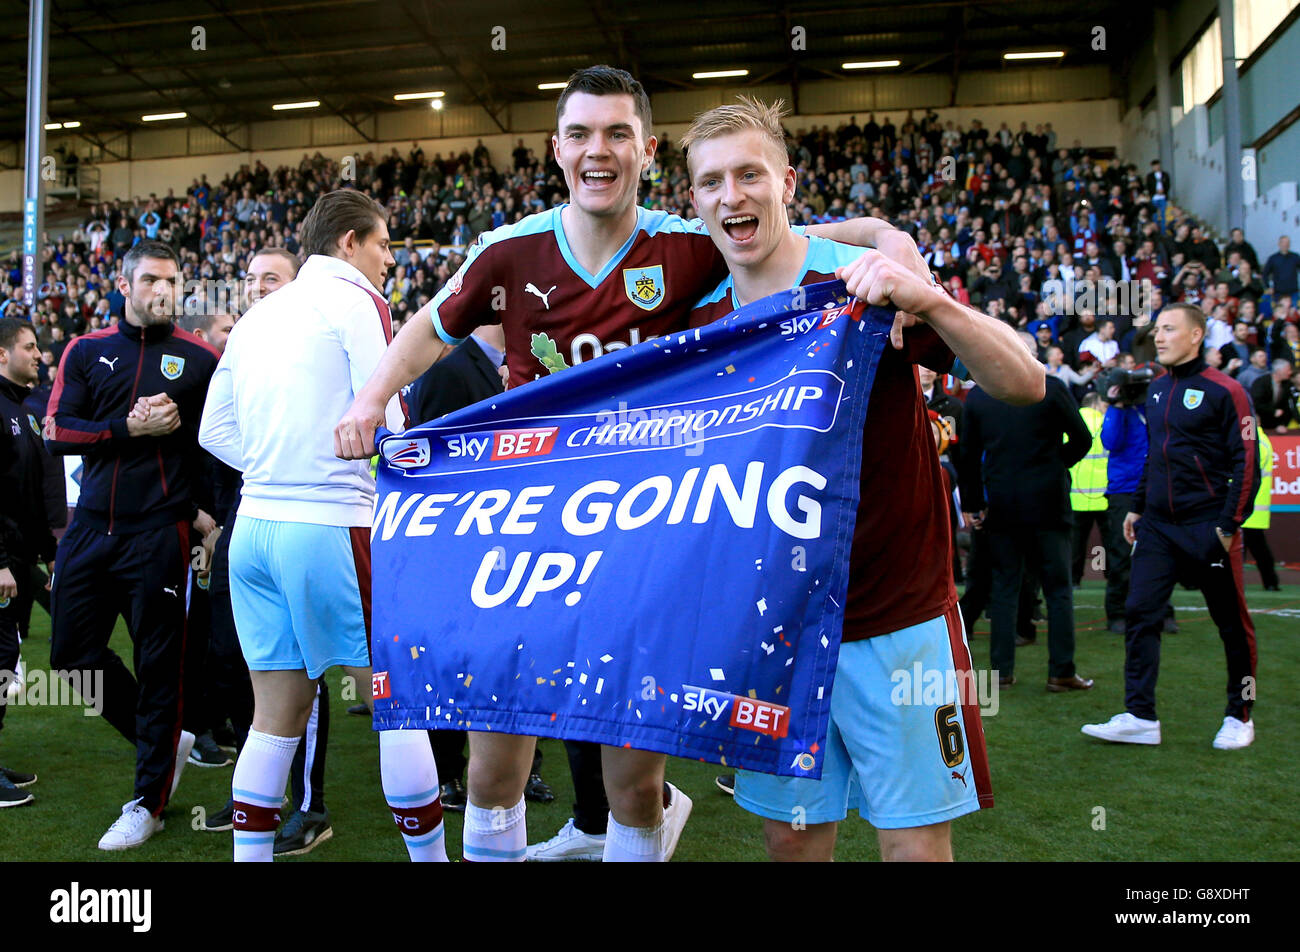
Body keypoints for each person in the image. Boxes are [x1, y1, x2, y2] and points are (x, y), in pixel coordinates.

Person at [334, 66, 929, 863]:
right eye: (580, 134)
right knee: (491, 770)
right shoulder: (510, 252)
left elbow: (791, 229)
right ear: (557, 149)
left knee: (634, 783)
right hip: (527, 531)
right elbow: (432, 329)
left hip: (641, 538)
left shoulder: (687, 247)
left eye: (618, 134)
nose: (598, 151)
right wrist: (370, 401)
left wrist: (888, 236)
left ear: (647, 150)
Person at [682, 95, 1045, 862]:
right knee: (795, 847)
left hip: (897, 616)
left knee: (914, 849)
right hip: (773, 631)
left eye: (750, 175)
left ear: (786, 182)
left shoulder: (866, 287)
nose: (732, 195)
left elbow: (1025, 384)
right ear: (693, 200)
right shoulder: (702, 321)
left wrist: (932, 299)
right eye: (712, 181)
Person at [199, 189, 449, 862]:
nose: (391, 258)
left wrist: (280, 465)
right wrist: (317, 466)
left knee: (273, 718)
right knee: (397, 702)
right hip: (333, 523)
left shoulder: (258, 313)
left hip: (253, 528)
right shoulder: (357, 299)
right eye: (385, 243)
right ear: (349, 243)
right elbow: (388, 419)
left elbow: (212, 429)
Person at [44, 239, 221, 849]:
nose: (163, 291)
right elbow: (59, 431)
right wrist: (128, 428)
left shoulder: (200, 359)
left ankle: (148, 802)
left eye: (172, 281)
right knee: (69, 656)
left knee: (159, 668)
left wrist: (209, 513)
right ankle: (165, 741)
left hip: (159, 532)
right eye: (150, 280)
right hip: (90, 529)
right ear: (124, 284)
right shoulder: (87, 350)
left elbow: (217, 446)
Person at [1082, 303, 1260, 750]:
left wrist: (1226, 525)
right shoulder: (1157, 390)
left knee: (1232, 626)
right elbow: (1155, 457)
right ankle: (1141, 716)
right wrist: (1138, 508)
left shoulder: (1228, 391)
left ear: (1196, 335)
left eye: (1169, 329)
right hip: (1158, 528)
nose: (1158, 337)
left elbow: (1247, 461)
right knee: (1140, 614)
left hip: (1208, 527)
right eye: (1156, 329)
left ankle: (1239, 715)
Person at [960, 341, 1094, 692]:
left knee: (1005, 587)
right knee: (1058, 589)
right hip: (1048, 502)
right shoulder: (1052, 389)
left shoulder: (979, 397)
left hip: (1002, 504)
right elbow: (1082, 439)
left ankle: (1001, 671)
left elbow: (968, 458)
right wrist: (1053, 466)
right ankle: (1061, 671)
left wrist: (974, 504)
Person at [0, 318, 59, 807]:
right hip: (2, 564)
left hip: (20, 560)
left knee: (4, 659)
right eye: (29, 347)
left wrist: (48, 552)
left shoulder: (23, 410)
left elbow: (28, 494)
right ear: (3, 354)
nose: (38, 354)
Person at [1069, 392, 1108, 587]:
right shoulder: (1105, 421)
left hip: (1076, 495)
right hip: (1104, 494)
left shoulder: (1072, 421)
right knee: (1110, 541)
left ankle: (1074, 579)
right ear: (1097, 403)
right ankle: (1113, 576)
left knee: (1076, 542)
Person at [1241, 426, 1278, 592]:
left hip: (1251, 507)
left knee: (1251, 549)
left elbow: (1246, 471)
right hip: (1253, 508)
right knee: (1257, 549)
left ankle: (1270, 581)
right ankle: (1271, 582)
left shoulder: (1257, 443)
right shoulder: (1259, 441)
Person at [1250, 359, 1298, 434]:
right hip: (1260, 424)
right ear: (1279, 371)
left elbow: (1288, 407)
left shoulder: (1287, 385)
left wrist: (1282, 424)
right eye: (1288, 370)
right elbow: (1255, 403)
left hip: (1277, 426)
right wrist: (1272, 411)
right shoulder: (1261, 383)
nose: (1290, 372)